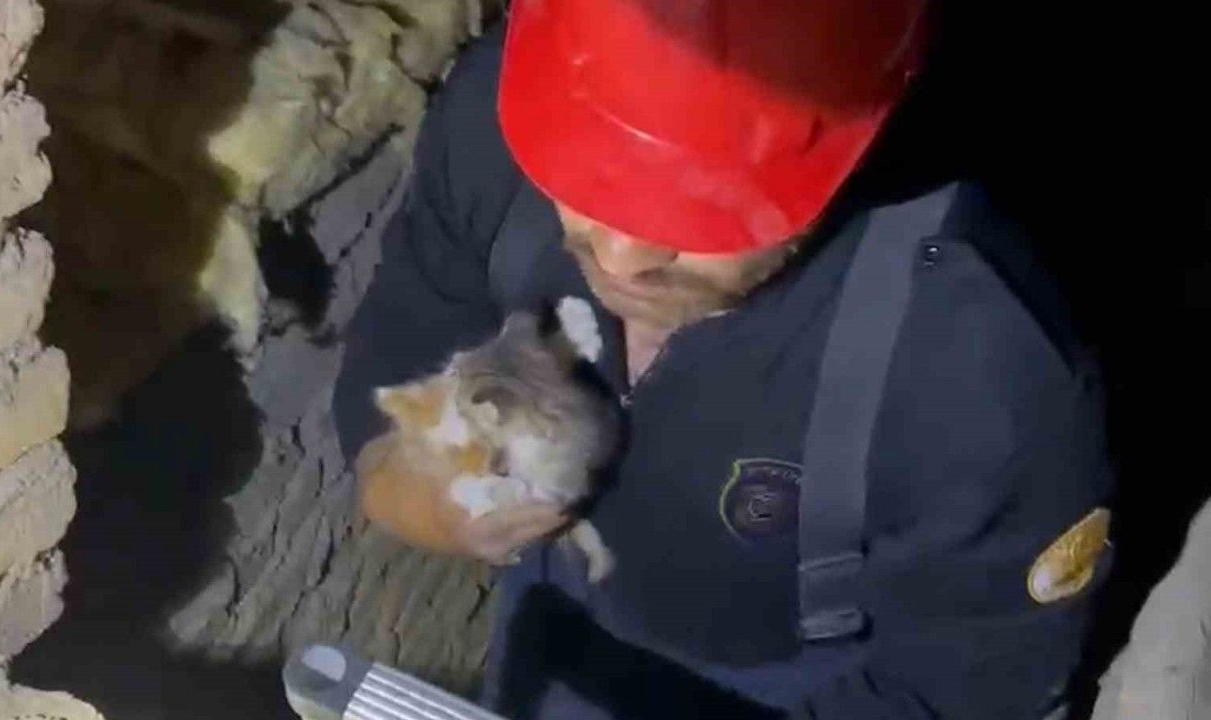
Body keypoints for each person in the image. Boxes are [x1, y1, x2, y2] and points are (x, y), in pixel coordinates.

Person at [332, 2, 1115, 718]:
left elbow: (967, 686)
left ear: (855, 148)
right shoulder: (512, 109)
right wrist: (412, 489)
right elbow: (414, 319)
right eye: (590, 168)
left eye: (705, 199)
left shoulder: (980, 363)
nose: (621, 255)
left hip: (805, 687)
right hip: (559, 624)